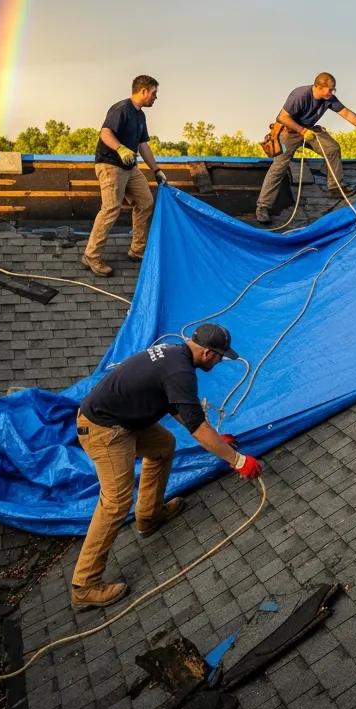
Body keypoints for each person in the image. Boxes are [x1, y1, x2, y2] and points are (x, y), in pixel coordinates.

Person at [70, 323, 262, 610]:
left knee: (163, 446)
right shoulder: (180, 371)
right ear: (208, 353)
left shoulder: (175, 355)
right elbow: (197, 428)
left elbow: (182, 409)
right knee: (116, 502)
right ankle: (84, 585)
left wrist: (215, 439)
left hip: (121, 421)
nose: (220, 361)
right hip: (105, 431)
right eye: (220, 356)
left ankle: (149, 516)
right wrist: (237, 460)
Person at [255, 72, 356, 224]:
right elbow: (282, 117)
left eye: (333, 90)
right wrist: (302, 131)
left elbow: (346, 113)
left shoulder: (329, 98)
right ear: (318, 87)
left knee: (332, 148)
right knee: (279, 166)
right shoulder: (300, 95)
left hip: (310, 130)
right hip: (289, 131)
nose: (332, 93)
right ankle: (263, 207)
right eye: (329, 89)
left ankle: (335, 187)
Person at [82, 75, 168, 277]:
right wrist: (120, 148)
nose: (156, 98)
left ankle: (137, 250)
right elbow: (105, 133)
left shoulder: (140, 116)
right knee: (111, 209)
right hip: (111, 165)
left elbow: (142, 145)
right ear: (143, 91)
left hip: (129, 167)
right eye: (154, 93)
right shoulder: (121, 108)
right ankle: (91, 255)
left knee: (145, 202)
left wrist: (156, 170)